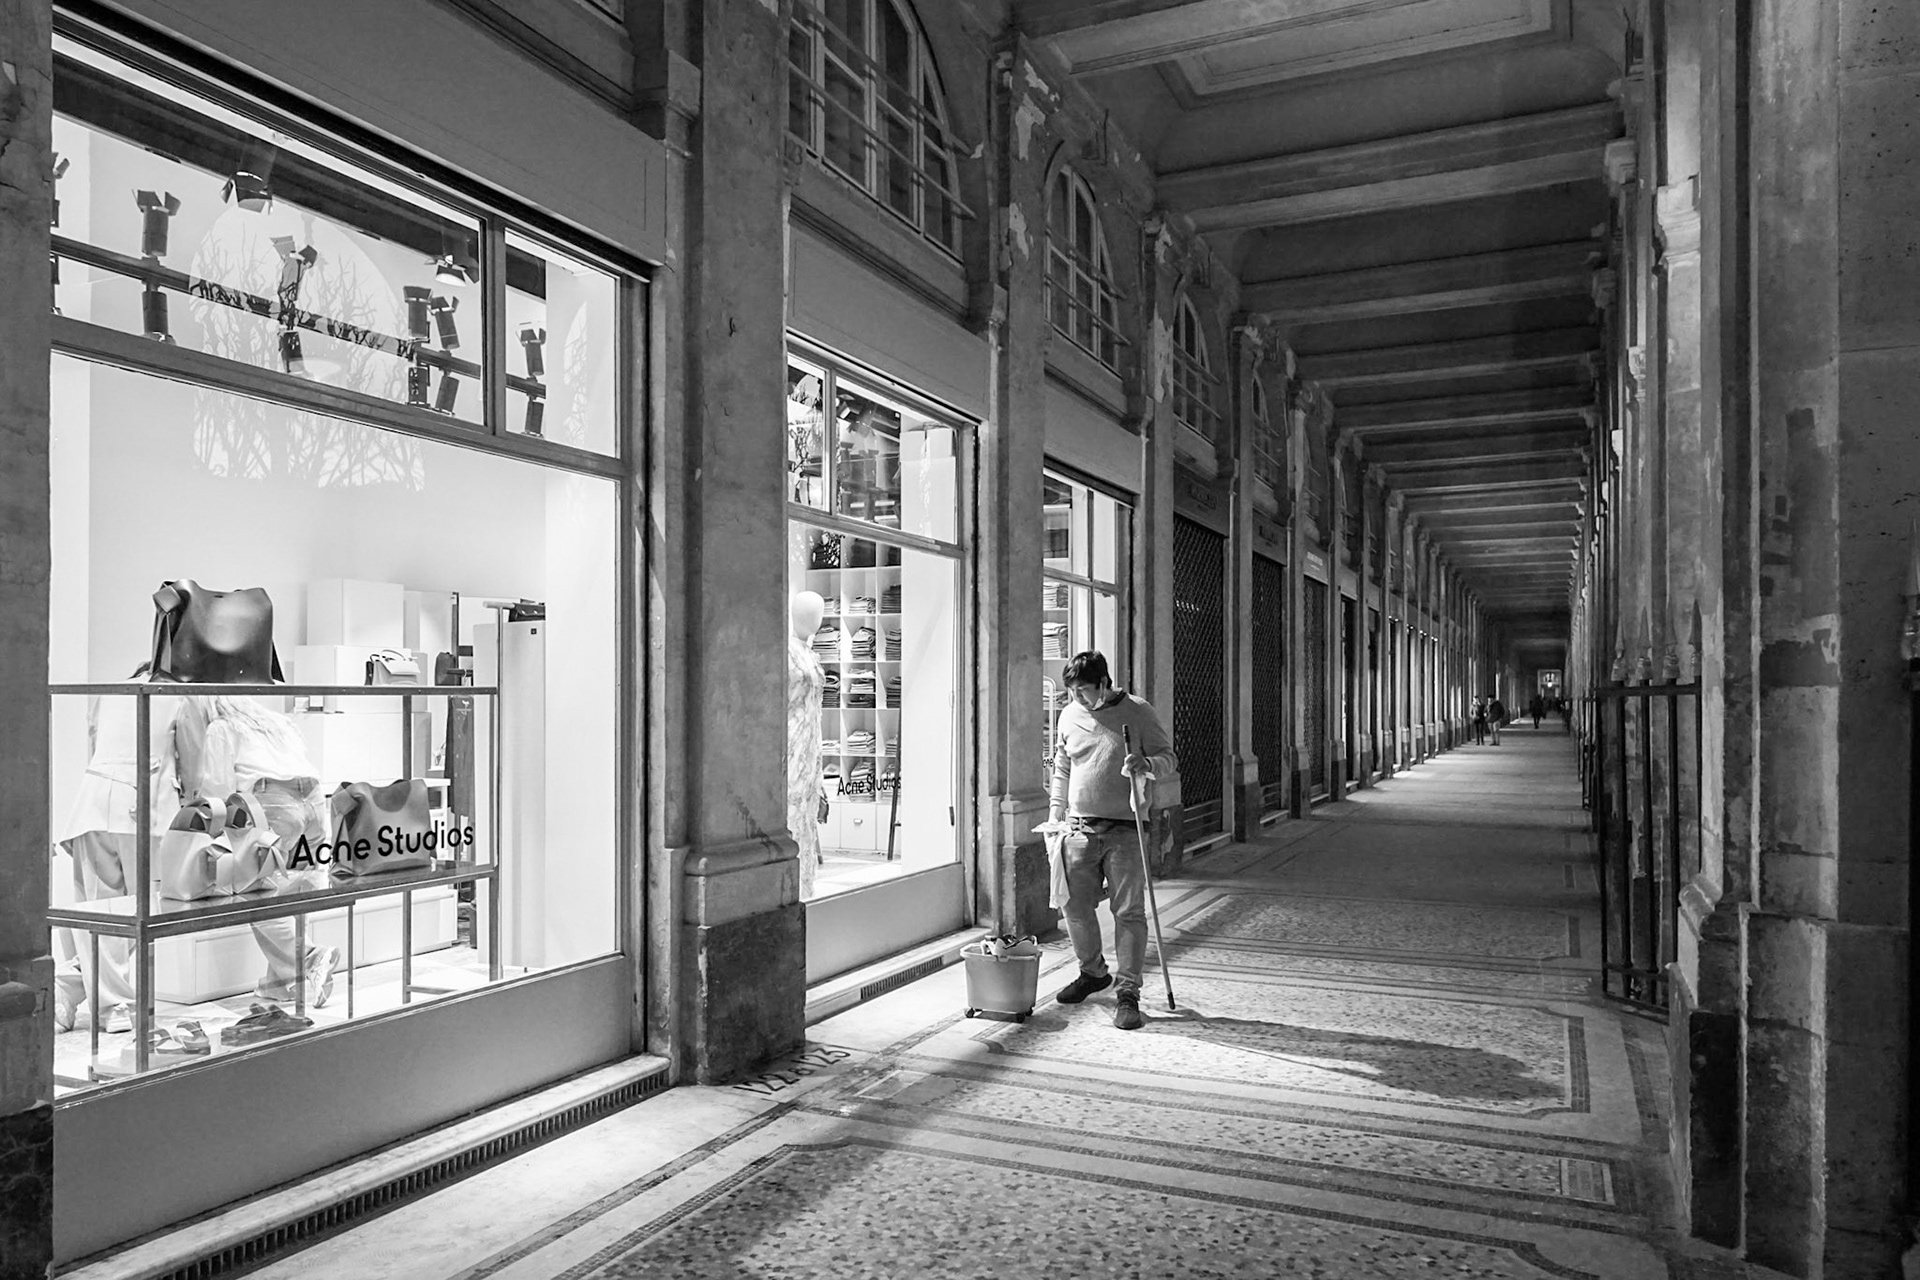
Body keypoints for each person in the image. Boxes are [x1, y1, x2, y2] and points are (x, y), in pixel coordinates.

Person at [174, 695, 340, 1006]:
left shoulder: (222, 728)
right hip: (315, 800)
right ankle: (280, 983)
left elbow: (218, 791)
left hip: (273, 801)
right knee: (290, 889)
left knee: (254, 893)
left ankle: (309, 958)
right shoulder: (277, 723)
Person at [1047, 650, 1177, 1031]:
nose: (1078, 699)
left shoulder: (1138, 711)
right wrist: (1056, 815)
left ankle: (1128, 991)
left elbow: (1167, 756)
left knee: (1128, 912)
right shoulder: (1069, 715)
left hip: (1126, 829)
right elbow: (1062, 765)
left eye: (1084, 690)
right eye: (1072, 691)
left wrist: (1147, 765)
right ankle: (1093, 972)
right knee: (1073, 906)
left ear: (1105, 682)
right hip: (1078, 828)